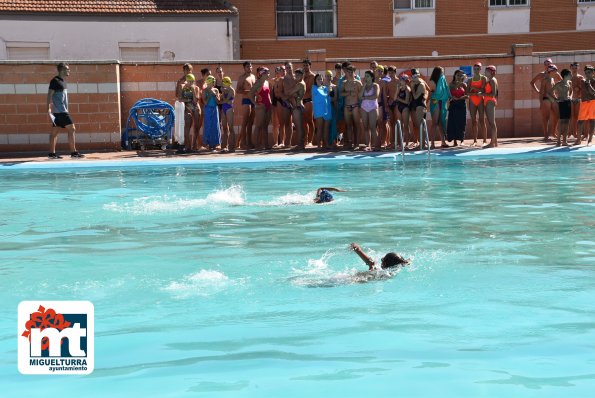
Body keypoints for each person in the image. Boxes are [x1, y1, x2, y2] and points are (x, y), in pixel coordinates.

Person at [47, 62, 84, 159]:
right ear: (62, 70)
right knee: (72, 129)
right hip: (61, 111)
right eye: (67, 69)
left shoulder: (63, 81)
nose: (69, 71)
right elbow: (49, 94)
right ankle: (74, 153)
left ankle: (51, 154)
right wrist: (48, 108)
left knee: (54, 133)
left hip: (59, 112)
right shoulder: (55, 81)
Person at [531, 58, 562, 142]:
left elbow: (562, 82)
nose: (547, 65)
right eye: (546, 64)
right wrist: (538, 94)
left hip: (553, 98)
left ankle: (553, 132)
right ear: (544, 65)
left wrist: (560, 93)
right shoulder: (542, 75)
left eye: (549, 64)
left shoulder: (554, 74)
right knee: (546, 117)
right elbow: (533, 83)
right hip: (546, 98)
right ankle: (546, 135)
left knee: (557, 115)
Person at [175, 63, 202, 150]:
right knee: (187, 125)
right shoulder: (181, 82)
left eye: (189, 70)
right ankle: (188, 145)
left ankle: (194, 144)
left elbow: (196, 100)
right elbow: (178, 96)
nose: (188, 72)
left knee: (197, 126)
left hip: (195, 106)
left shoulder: (195, 84)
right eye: (186, 70)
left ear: (191, 70)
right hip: (186, 106)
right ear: (183, 71)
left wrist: (192, 89)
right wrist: (187, 100)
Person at [250, 67, 273, 150]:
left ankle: (266, 144)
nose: (269, 74)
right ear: (262, 74)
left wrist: (270, 105)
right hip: (261, 106)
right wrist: (255, 104)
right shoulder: (258, 83)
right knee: (258, 126)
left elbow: (268, 95)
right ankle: (257, 145)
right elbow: (250, 94)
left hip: (268, 106)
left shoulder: (267, 82)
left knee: (265, 126)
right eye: (267, 73)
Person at [341, 65, 362, 149]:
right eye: (348, 72)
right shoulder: (344, 82)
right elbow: (341, 93)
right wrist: (349, 93)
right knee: (348, 125)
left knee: (357, 125)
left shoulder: (358, 82)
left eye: (351, 72)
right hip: (347, 106)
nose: (350, 74)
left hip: (355, 105)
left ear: (354, 72)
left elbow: (361, 95)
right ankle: (350, 142)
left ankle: (357, 143)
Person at [428, 66, 450, 149]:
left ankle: (443, 142)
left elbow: (446, 88)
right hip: (435, 102)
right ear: (438, 72)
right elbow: (431, 93)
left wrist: (450, 96)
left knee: (441, 122)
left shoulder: (443, 79)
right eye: (442, 72)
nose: (443, 73)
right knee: (435, 123)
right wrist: (426, 102)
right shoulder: (432, 81)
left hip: (443, 101)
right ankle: (432, 143)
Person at [236, 61, 256, 149]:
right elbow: (238, 90)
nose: (250, 68)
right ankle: (242, 143)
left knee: (251, 123)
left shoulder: (253, 76)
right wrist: (248, 92)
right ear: (244, 68)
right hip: (246, 100)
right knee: (245, 122)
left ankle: (249, 142)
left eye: (251, 66)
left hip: (253, 101)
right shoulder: (242, 78)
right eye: (248, 67)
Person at [358, 70, 380, 151]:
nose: (365, 78)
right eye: (365, 76)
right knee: (366, 127)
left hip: (372, 108)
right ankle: (368, 145)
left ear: (372, 77)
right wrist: (364, 86)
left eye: (367, 76)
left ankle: (377, 145)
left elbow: (375, 96)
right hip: (364, 107)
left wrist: (365, 98)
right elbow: (359, 96)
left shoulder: (375, 85)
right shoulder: (364, 86)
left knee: (373, 127)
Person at [467, 62, 487, 146]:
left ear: (480, 69)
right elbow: (467, 92)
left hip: (480, 100)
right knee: (474, 121)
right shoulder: (470, 80)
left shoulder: (483, 78)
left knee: (482, 120)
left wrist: (474, 88)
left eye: (478, 68)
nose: (476, 70)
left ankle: (485, 140)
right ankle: (475, 140)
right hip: (472, 101)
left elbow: (483, 90)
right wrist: (475, 92)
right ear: (473, 69)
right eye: (475, 68)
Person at [446, 69, 468, 146]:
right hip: (454, 105)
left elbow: (467, 95)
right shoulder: (451, 84)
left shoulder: (464, 85)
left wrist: (461, 98)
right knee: (453, 123)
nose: (459, 76)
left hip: (462, 105)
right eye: (458, 75)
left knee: (462, 123)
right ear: (454, 75)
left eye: (461, 75)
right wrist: (454, 97)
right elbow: (451, 93)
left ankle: (462, 140)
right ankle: (454, 141)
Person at [552, 68, 573, 147]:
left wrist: (570, 96)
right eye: (570, 74)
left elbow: (571, 91)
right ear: (565, 75)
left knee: (567, 122)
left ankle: (565, 141)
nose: (571, 75)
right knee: (561, 122)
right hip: (561, 103)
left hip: (567, 103)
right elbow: (550, 92)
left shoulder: (569, 82)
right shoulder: (558, 84)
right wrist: (555, 99)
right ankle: (558, 141)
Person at [287, 68, 307, 149]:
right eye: (296, 75)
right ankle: (301, 143)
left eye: (298, 75)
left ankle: (300, 145)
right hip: (299, 105)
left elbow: (289, 92)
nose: (296, 76)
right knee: (300, 127)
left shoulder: (300, 84)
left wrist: (293, 94)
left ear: (302, 75)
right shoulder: (301, 83)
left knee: (299, 127)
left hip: (297, 107)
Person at [575, 65, 595, 146]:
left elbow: (593, 93)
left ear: (593, 73)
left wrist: (589, 84)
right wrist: (588, 85)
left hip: (593, 103)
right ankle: (578, 140)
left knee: (592, 121)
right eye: (586, 73)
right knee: (580, 122)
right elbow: (587, 92)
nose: (587, 74)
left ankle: (589, 140)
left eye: (589, 73)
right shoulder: (583, 81)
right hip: (584, 103)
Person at [312, 73, 332, 149]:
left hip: (327, 109)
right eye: (318, 79)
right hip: (319, 110)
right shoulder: (314, 88)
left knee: (326, 128)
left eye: (321, 79)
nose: (320, 80)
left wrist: (329, 91)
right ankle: (319, 144)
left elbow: (329, 98)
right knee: (320, 127)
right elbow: (322, 95)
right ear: (315, 80)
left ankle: (326, 144)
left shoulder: (325, 88)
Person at [202, 75, 221, 151]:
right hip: (208, 109)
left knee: (215, 126)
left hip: (215, 109)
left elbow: (218, 102)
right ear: (208, 83)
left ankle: (214, 144)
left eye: (214, 82)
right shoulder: (204, 91)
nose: (213, 84)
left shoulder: (216, 90)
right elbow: (205, 102)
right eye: (212, 82)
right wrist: (210, 95)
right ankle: (207, 143)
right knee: (208, 125)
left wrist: (215, 95)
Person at [410, 69, 428, 149]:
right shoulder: (418, 82)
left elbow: (416, 97)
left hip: (420, 106)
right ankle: (423, 143)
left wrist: (413, 89)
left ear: (418, 75)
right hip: (418, 105)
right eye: (413, 76)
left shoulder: (421, 84)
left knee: (421, 125)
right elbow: (429, 89)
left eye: (415, 75)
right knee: (420, 125)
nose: (413, 77)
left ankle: (422, 144)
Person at [483, 65, 499, 148]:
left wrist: (482, 94)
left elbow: (493, 94)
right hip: (488, 101)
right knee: (492, 123)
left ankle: (492, 143)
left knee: (492, 123)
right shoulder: (490, 80)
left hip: (490, 102)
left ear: (490, 72)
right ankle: (495, 142)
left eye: (486, 71)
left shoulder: (492, 80)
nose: (484, 72)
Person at [219, 76, 235, 152]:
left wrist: (222, 99)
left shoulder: (232, 90)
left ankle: (232, 146)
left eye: (223, 83)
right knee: (225, 128)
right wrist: (221, 93)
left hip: (229, 109)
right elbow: (220, 99)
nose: (222, 85)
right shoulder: (224, 90)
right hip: (224, 109)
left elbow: (225, 100)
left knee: (231, 128)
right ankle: (224, 146)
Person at [302, 59, 316, 146]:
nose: (305, 67)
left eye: (307, 65)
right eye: (304, 65)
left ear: (310, 66)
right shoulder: (301, 76)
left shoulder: (313, 76)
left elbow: (311, 90)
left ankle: (310, 141)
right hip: (301, 101)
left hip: (309, 100)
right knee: (303, 122)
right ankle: (305, 141)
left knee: (310, 121)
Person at [570, 62, 585, 140]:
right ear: (571, 68)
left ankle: (580, 133)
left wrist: (579, 88)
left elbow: (584, 88)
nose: (574, 70)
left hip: (578, 99)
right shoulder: (569, 78)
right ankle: (574, 132)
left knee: (579, 117)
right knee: (573, 117)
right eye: (573, 68)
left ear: (578, 68)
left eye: (575, 68)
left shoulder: (581, 77)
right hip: (571, 99)